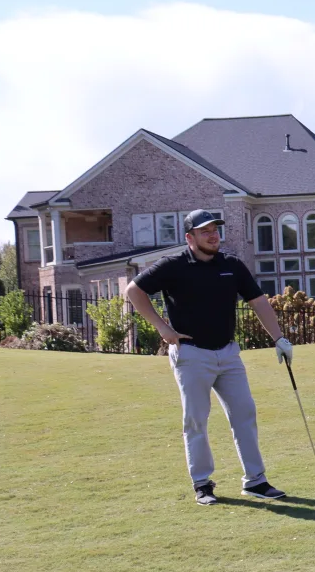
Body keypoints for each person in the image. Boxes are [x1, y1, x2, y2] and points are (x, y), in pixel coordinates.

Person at [125, 209, 295, 505]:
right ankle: (202, 484)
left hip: (228, 354)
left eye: (215, 229)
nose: (213, 235)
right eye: (205, 231)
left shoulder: (232, 265)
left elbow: (258, 302)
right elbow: (134, 291)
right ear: (190, 237)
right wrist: (163, 329)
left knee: (244, 413)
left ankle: (255, 481)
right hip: (191, 354)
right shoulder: (172, 265)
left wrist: (278, 338)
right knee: (196, 420)